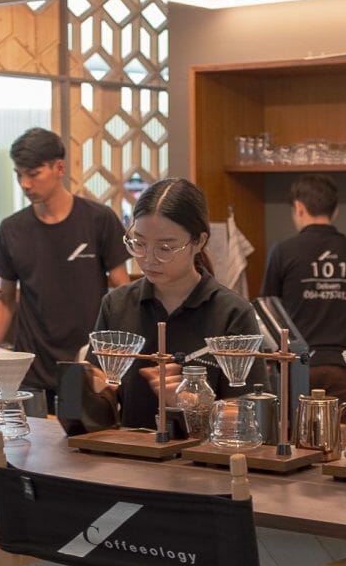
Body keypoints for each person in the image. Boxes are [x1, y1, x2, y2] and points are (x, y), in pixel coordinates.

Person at [94, 178, 260, 430]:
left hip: (205, 463)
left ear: (199, 241)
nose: (148, 259)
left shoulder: (232, 313)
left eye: (165, 247)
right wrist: (88, 388)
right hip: (129, 460)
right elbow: (101, 404)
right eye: (139, 243)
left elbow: (253, 417)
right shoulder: (116, 305)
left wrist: (195, 406)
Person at [0, 128, 129, 409]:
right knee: (28, 447)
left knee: (74, 447)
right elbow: (7, 301)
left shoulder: (99, 220)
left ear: (59, 168)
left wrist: (117, 355)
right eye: (18, 174)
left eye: (33, 174)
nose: (25, 183)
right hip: (30, 368)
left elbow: (122, 289)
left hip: (83, 364)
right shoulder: (12, 229)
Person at [260, 174, 346, 410]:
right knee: (340, 438)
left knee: (296, 441)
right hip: (342, 367)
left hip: (296, 366)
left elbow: (267, 315)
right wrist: (341, 320)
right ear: (335, 210)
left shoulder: (282, 252)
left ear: (298, 207)